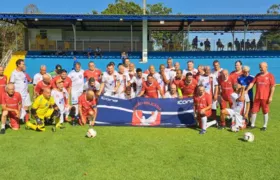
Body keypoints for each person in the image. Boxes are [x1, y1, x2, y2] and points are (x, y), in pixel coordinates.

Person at [245, 62, 275, 131]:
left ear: (266, 67)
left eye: (261, 67)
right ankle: (252, 124)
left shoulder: (270, 76)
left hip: (265, 98)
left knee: (265, 111)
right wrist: (246, 90)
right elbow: (252, 83)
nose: (260, 68)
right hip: (257, 97)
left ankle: (264, 126)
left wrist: (271, 97)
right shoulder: (257, 75)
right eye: (260, 67)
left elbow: (273, 87)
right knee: (254, 111)